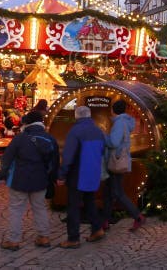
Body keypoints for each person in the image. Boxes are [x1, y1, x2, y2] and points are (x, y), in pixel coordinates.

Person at [0, 109, 59, 251]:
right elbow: (54, 162)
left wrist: (2, 175)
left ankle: (14, 240)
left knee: (16, 209)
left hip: (20, 179)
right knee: (40, 208)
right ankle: (44, 237)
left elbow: (7, 158)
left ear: (28, 123)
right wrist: (53, 179)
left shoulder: (20, 138)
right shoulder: (50, 139)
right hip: (40, 180)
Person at [57, 105, 106, 249]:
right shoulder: (98, 131)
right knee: (89, 201)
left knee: (73, 206)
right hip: (93, 172)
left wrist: (62, 174)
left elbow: (68, 156)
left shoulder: (75, 131)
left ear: (76, 116)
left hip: (78, 173)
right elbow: (102, 151)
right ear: (89, 116)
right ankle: (97, 229)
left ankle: (73, 238)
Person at [102, 100, 145, 232]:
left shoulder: (119, 123)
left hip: (116, 161)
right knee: (108, 192)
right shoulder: (125, 122)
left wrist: (104, 135)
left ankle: (138, 216)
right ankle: (105, 221)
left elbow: (114, 142)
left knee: (117, 192)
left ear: (113, 110)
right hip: (117, 160)